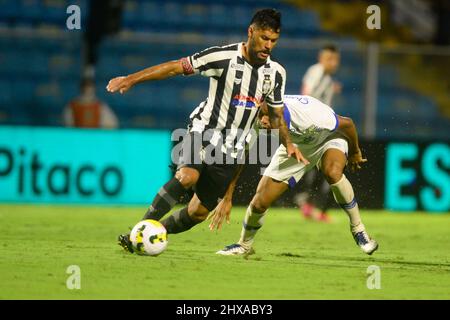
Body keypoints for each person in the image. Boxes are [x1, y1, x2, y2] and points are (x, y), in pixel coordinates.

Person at [106, 9, 308, 253]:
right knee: (187, 176)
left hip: (232, 149)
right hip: (204, 131)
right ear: (251, 32)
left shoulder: (276, 73)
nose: (268, 45)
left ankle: (153, 233)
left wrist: (288, 143)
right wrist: (131, 79)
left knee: (198, 212)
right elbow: (175, 67)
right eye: (264, 38)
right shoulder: (221, 57)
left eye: (273, 41)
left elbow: (276, 116)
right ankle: (138, 232)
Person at [211, 94, 378, 256]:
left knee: (332, 172)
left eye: (269, 117)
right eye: (262, 114)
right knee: (260, 201)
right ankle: (243, 245)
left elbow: (347, 124)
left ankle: (358, 229)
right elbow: (241, 155)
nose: (263, 121)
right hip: (296, 145)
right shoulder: (256, 117)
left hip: (329, 138)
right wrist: (227, 196)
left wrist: (355, 151)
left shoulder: (311, 118)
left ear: (280, 115)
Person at [297, 44, 342, 222]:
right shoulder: (317, 71)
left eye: (335, 60)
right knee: (324, 166)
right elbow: (306, 92)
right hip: (313, 126)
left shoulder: (328, 79)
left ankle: (310, 205)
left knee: (319, 167)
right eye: (330, 59)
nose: (333, 63)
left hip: (321, 127)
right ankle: (309, 203)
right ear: (321, 58)